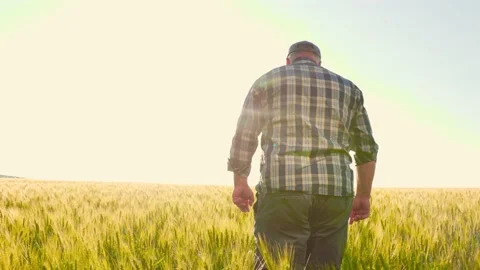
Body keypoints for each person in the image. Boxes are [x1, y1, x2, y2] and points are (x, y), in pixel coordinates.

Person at [227, 41, 379, 269]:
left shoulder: (267, 81)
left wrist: (240, 182)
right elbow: (366, 148)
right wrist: (363, 195)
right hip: (335, 193)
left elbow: (244, 135)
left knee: (277, 264)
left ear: (289, 60)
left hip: (283, 190)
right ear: (319, 62)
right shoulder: (349, 89)